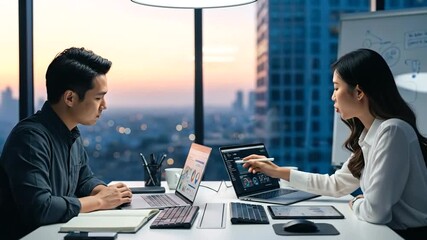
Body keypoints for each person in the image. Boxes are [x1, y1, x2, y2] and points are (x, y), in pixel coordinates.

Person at [242, 48, 427, 240]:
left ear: (359, 92)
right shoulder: (370, 135)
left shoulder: (392, 131)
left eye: (337, 88)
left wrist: (356, 203)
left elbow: (375, 213)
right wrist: (277, 171)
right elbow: (336, 184)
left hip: (407, 235)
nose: (332, 96)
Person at [0, 47, 133, 239]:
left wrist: (107, 193)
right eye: (98, 97)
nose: (104, 105)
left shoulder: (71, 133)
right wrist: (99, 202)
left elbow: (84, 180)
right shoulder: (30, 139)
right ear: (70, 98)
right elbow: (40, 207)